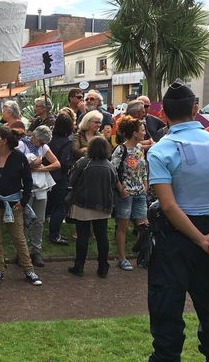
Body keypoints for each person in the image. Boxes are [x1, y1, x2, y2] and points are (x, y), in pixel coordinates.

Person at [146, 80, 209, 361]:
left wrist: (202, 239)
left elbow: (170, 207)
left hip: (174, 237)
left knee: (166, 315)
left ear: (163, 114)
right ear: (196, 109)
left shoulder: (161, 150)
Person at [0, 126, 42, 286]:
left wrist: (24, 201)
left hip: (14, 204)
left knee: (19, 238)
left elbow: (28, 181)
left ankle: (29, 270)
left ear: (5, 141)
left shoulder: (19, 157)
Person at [67, 137, 117, 278]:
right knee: (102, 236)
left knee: (82, 236)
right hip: (103, 204)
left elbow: (72, 180)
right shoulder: (110, 165)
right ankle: (103, 267)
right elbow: (114, 183)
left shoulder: (83, 163)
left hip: (82, 203)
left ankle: (79, 266)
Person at [111, 116, 149, 271]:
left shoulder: (140, 148)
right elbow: (113, 171)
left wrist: (145, 185)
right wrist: (121, 189)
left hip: (140, 191)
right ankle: (122, 257)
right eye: (142, 130)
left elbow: (143, 168)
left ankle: (143, 256)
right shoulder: (121, 149)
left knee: (144, 226)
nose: (144, 133)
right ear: (134, 133)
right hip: (125, 193)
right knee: (123, 226)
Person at [19, 126, 60, 266]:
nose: (43, 145)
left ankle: (36, 251)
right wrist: (30, 165)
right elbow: (15, 165)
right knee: (24, 220)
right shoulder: (21, 144)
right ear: (35, 137)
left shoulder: (43, 147)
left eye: (44, 143)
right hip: (25, 188)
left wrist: (42, 168)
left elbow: (57, 163)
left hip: (41, 187)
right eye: (41, 142)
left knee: (39, 220)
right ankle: (22, 253)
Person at [47, 114, 73, 245]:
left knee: (47, 207)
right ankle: (54, 235)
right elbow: (64, 161)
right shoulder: (67, 142)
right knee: (59, 207)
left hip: (46, 176)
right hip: (59, 178)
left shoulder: (50, 140)